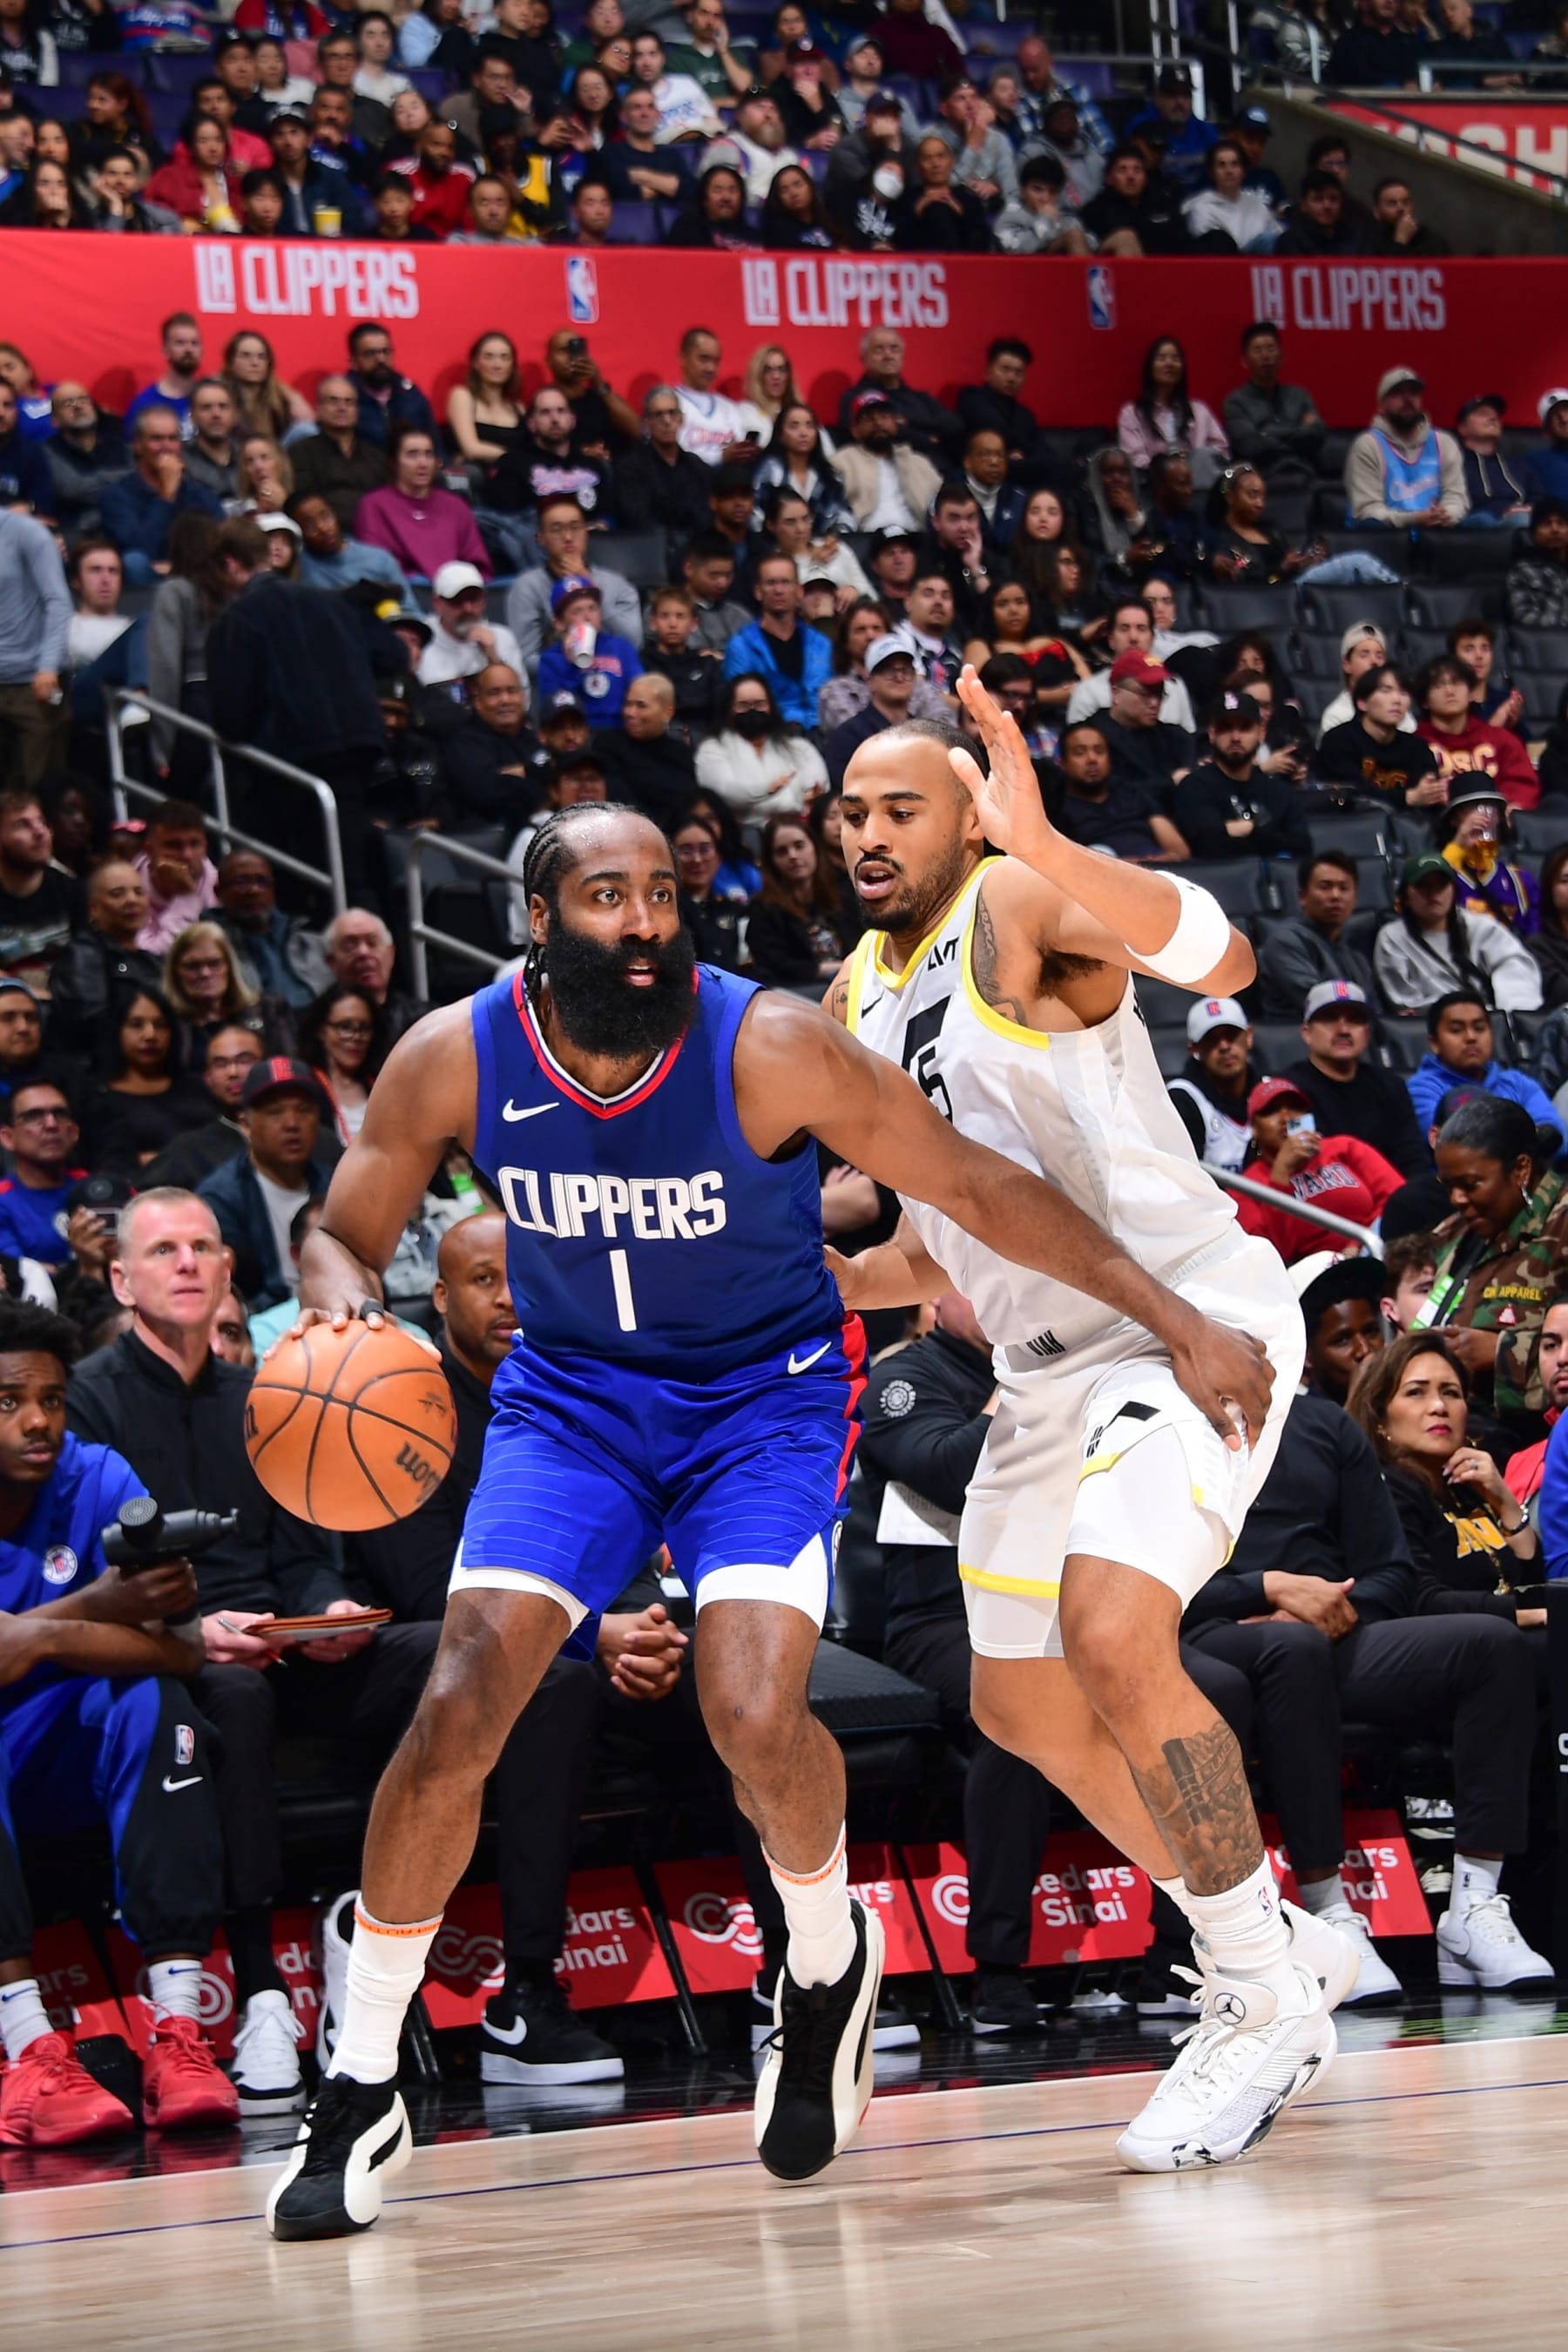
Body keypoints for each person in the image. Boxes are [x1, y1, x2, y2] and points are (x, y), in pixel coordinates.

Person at [261, 791, 1274, 2238]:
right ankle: (363, 2073)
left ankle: (818, 1954)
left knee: (749, 1706)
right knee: (463, 1694)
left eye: (664, 893)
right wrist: (339, 1312)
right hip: (570, 1409)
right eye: (607, 899)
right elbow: (344, 1230)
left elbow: (977, 1186)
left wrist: (1173, 1315)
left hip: (762, 1400)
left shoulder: (771, 1042)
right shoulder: (454, 1056)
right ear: (538, 921)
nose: (645, 921)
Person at [829, 676, 1348, 2176]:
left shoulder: (1018, 911)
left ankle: (1257, 2000)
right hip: (1045, 1367)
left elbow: (1230, 954)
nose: (868, 831)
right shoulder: (861, 994)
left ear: (968, 810)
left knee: (1114, 1635)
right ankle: (1267, 1945)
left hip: (1187, 1323)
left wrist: (1051, 844)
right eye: (850, 811)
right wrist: (833, 1282)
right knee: (1020, 1707)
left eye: (901, 805)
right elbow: (955, 1239)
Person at [1185, 1354, 1550, 2004]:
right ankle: (1329, 1913)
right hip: (1215, 1629)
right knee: (1290, 1649)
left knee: (1494, 1644)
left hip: (1337, 1630)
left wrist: (1334, 1606)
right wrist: (1261, 1593)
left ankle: (1473, 1909)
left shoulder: (1323, 1424)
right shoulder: (1168, 1426)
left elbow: (1390, 1568)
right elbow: (1148, 1577)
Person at [0, 1297, 242, 2146]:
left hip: (73, 1757)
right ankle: (25, 2051)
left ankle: (179, 2033)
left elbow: (180, 1655)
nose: (38, 1422)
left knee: (155, 1704)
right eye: (9, 1403)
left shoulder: (98, 1477)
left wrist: (46, 1635)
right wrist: (100, 1607)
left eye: (53, 1399)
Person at [855, 1290, 1053, 2031]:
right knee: (1016, 1708)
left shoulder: (1066, 1370)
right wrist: (1025, 1385)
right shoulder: (907, 1379)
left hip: (1062, 1604)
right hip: (943, 1618)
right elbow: (946, 1469)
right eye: (982, 1276)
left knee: (1200, 1684)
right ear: (936, 1294)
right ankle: (998, 1973)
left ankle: (1180, 1954)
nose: (1008, 1293)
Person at [1421, 1094, 1568, 1429]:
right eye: (1450, 1186)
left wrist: (1500, 1352)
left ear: (1521, 1169)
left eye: (1471, 1185)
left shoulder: (1561, 1226)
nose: (1457, 1199)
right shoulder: (1452, 1234)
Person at [197, 1056, 337, 1311]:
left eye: (304, 1110)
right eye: (275, 1112)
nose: (292, 1124)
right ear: (245, 1124)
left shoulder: (337, 1186)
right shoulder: (220, 1199)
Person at [1233, 1076, 1404, 1260]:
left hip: (1375, 1246)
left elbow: (1398, 1198)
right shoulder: (1245, 1187)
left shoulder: (1343, 1147)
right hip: (1315, 1272)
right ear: (1255, 1130)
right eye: (1272, 1111)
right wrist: (1281, 1174)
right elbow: (1271, 1256)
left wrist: (1360, 1242)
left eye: (1295, 1107)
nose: (1286, 1117)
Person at [1277, 981, 1428, 1178]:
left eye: (1355, 1020)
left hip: (1392, 1200)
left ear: (1366, 1033)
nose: (1343, 1030)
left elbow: (1413, 1163)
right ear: (1307, 1033)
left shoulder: (1391, 1087)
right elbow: (1303, 1166)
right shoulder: (1288, 1091)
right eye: (1330, 1019)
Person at [1376, 857, 1544, 1017]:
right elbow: (1408, 1003)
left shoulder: (1479, 925)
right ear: (1405, 896)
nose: (1433, 894)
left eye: (1441, 885)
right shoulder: (1392, 938)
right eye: (1423, 885)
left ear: (1454, 891)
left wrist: (1509, 1014)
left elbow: (1514, 963)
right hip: (1435, 1026)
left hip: (1491, 1019)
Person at [504, 493, 642, 668]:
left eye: (575, 527)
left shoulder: (617, 585)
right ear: (541, 539)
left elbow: (634, 644)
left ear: (586, 532)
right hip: (556, 686)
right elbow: (524, 659)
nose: (568, 537)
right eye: (556, 529)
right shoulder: (527, 587)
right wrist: (568, 662)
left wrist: (591, 586)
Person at [84, 985, 212, 1174]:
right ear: (117, 1030)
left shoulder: (197, 1087)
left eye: (160, 1025)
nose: (150, 1035)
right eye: (136, 1025)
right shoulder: (98, 1097)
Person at [1174, 687, 1312, 862]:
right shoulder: (1194, 787)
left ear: (1261, 734)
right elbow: (1207, 845)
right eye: (1226, 728)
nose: (1236, 737)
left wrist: (1249, 830)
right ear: (1212, 734)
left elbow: (1303, 847)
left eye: (1245, 728)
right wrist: (1270, 837)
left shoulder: (1279, 791)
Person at [1407, 991, 1563, 1143]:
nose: (1471, 1037)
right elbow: (1450, 1140)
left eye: (1479, 1028)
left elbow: (1555, 1136)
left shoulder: (1518, 1083)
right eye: (1456, 1030)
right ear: (1434, 1043)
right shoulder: (1421, 1090)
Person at [45, 861, 160, 1062]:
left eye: (138, 892)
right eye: (117, 894)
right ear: (94, 908)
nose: (131, 900)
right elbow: (91, 1025)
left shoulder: (152, 961)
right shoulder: (82, 955)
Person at [99, 408, 224, 589]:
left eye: (173, 438)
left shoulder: (199, 493)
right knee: (134, 561)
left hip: (197, 584)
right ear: (138, 445)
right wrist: (167, 496)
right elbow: (139, 550)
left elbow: (218, 544)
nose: (166, 446)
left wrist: (175, 568)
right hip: (143, 591)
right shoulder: (116, 496)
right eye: (157, 439)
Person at [355, 425, 490, 585]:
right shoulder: (374, 504)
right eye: (412, 455)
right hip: (404, 593)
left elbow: (477, 564)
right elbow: (375, 566)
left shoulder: (455, 505)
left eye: (428, 454)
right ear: (394, 462)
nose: (423, 463)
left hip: (456, 597)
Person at [139, 1020, 261, 1190]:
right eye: (220, 1064)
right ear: (208, 1078)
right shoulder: (187, 1151)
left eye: (244, 1060)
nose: (232, 1072)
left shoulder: (297, 1132)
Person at [694, 671, 827, 825]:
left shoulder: (798, 747)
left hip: (799, 829)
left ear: (771, 707)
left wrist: (757, 801)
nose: (753, 710)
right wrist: (771, 790)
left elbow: (817, 787)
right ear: (729, 710)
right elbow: (727, 794)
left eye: (759, 704)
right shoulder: (712, 749)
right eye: (743, 706)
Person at [1345, 366, 1467, 531]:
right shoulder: (1367, 445)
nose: (1408, 399)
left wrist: (1445, 515)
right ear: (1381, 406)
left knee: (1478, 524)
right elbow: (1368, 511)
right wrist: (1414, 519)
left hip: (1436, 535)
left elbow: (1456, 498)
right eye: (1397, 394)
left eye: (1414, 393)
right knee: (1372, 525)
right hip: (1386, 538)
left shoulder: (1444, 442)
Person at [720, 552, 831, 731]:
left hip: (821, 734)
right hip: (768, 736)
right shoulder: (741, 646)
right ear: (758, 591)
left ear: (799, 591)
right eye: (771, 583)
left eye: (786, 582)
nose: (778, 590)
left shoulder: (822, 644)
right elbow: (737, 709)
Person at [1257, 852, 1376, 1017]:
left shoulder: (1355, 957)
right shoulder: (1285, 941)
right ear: (1302, 896)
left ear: (1354, 898)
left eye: (1344, 888)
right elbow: (1320, 1005)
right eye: (1325, 887)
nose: (1336, 896)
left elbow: (1373, 1010)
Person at [1053, 719, 1189, 864]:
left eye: (1099, 751)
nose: (1092, 759)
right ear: (1063, 764)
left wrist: (1142, 865)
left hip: (1159, 873)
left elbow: (1179, 851)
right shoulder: (1058, 809)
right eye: (1080, 753)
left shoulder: (1133, 794)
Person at [1315, 663, 1445, 810]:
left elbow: (1427, 796)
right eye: (1386, 691)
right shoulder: (1338, 741)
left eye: (1403, 693)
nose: (1397, 700)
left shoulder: (1418, 747)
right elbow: (1350, 793)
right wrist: (1407, 798)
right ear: (1362, 703)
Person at [1416, 664, 1540, 812]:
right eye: (1439, 685)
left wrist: (1509, 808)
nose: (1449, 691)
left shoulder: (1502, 739)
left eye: (1457, 683)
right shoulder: (1415, 745)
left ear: (1470, 694)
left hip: (1499, 824)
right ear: (1424, 701)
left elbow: (1522, 785)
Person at [0, 1079, 87, 1271]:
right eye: (33, 1117)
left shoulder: (100, 1187)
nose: (51, 1124)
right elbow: (17, 1276)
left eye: (60, 1114)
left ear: (74, 1132)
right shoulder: (2, 1200)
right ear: (8, 1138)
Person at [0, 789, 81, 994]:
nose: (40, 832)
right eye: (22, 825)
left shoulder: (72, 889)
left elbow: (87, 964)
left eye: (42, 822)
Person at [829, 390, 941, 539]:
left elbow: (941, 504)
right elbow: (834, 511)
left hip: (917, 539)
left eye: (884, 416)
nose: (878, 423)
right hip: (866, 541)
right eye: (869, 418)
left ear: (895, 423)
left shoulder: (919, 462)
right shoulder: (842, 462)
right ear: (855, 430)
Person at [287, 377, 390, 537]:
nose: (342, 408)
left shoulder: (376, 455)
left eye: (349, 402)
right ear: (319, 408)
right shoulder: (302, 451)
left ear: (357, 410)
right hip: (325, 537)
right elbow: (305, 501)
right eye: (333, 401)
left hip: (375, 535)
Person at [1167, 996, 1260, 1173]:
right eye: (1211, 1039)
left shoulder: (1272, 1090)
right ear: (1194, 1050)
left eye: (1231, 1035)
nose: (1224, 1046)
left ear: (1249, 1036)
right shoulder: (1182, 1099)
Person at [1223, 321, 1326, 478]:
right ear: (1244, 360)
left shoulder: (1299, 396)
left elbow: (1318, 434)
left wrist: (1266, 432)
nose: (1265, 356)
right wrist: (1298, 430)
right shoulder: (1235, 402)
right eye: (1258, 350)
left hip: (1304, 476)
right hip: (1261, 480)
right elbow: (1250, 446)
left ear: (1282, 355)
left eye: (1271, 348)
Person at [612, 385, 715, 540]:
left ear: (681, 420)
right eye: (658, 414)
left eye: (672, 413)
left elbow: (707, 517)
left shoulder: (698, 467)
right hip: (651, 550)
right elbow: (638, 520)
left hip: (697, 550)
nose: (667, 421)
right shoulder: (630, 467)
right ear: (646, 423)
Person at [1117, 336, 1228, 475]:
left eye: (1175, 358)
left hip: (1198, 483)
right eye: (1162, 358)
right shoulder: (1132, 413)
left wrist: (1197, 462)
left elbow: (1221, 450)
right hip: (1154, 486)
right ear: (1150, 367)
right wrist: (1168, 470)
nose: (1169, 363)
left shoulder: (1200, 411)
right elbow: (1135, 459)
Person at [298, 984, 386, 1145]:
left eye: (364, 1028)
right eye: (345, 1027)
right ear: (321, 1031)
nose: (355, 1037)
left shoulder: (383, 1084)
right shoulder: (304, 1086)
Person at [344, 324, 436, 454]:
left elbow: (436, 446)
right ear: (354, 361)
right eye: (370, 353)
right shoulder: (345, 401)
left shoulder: (412, 396)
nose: (381, 359)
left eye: (386, 352)